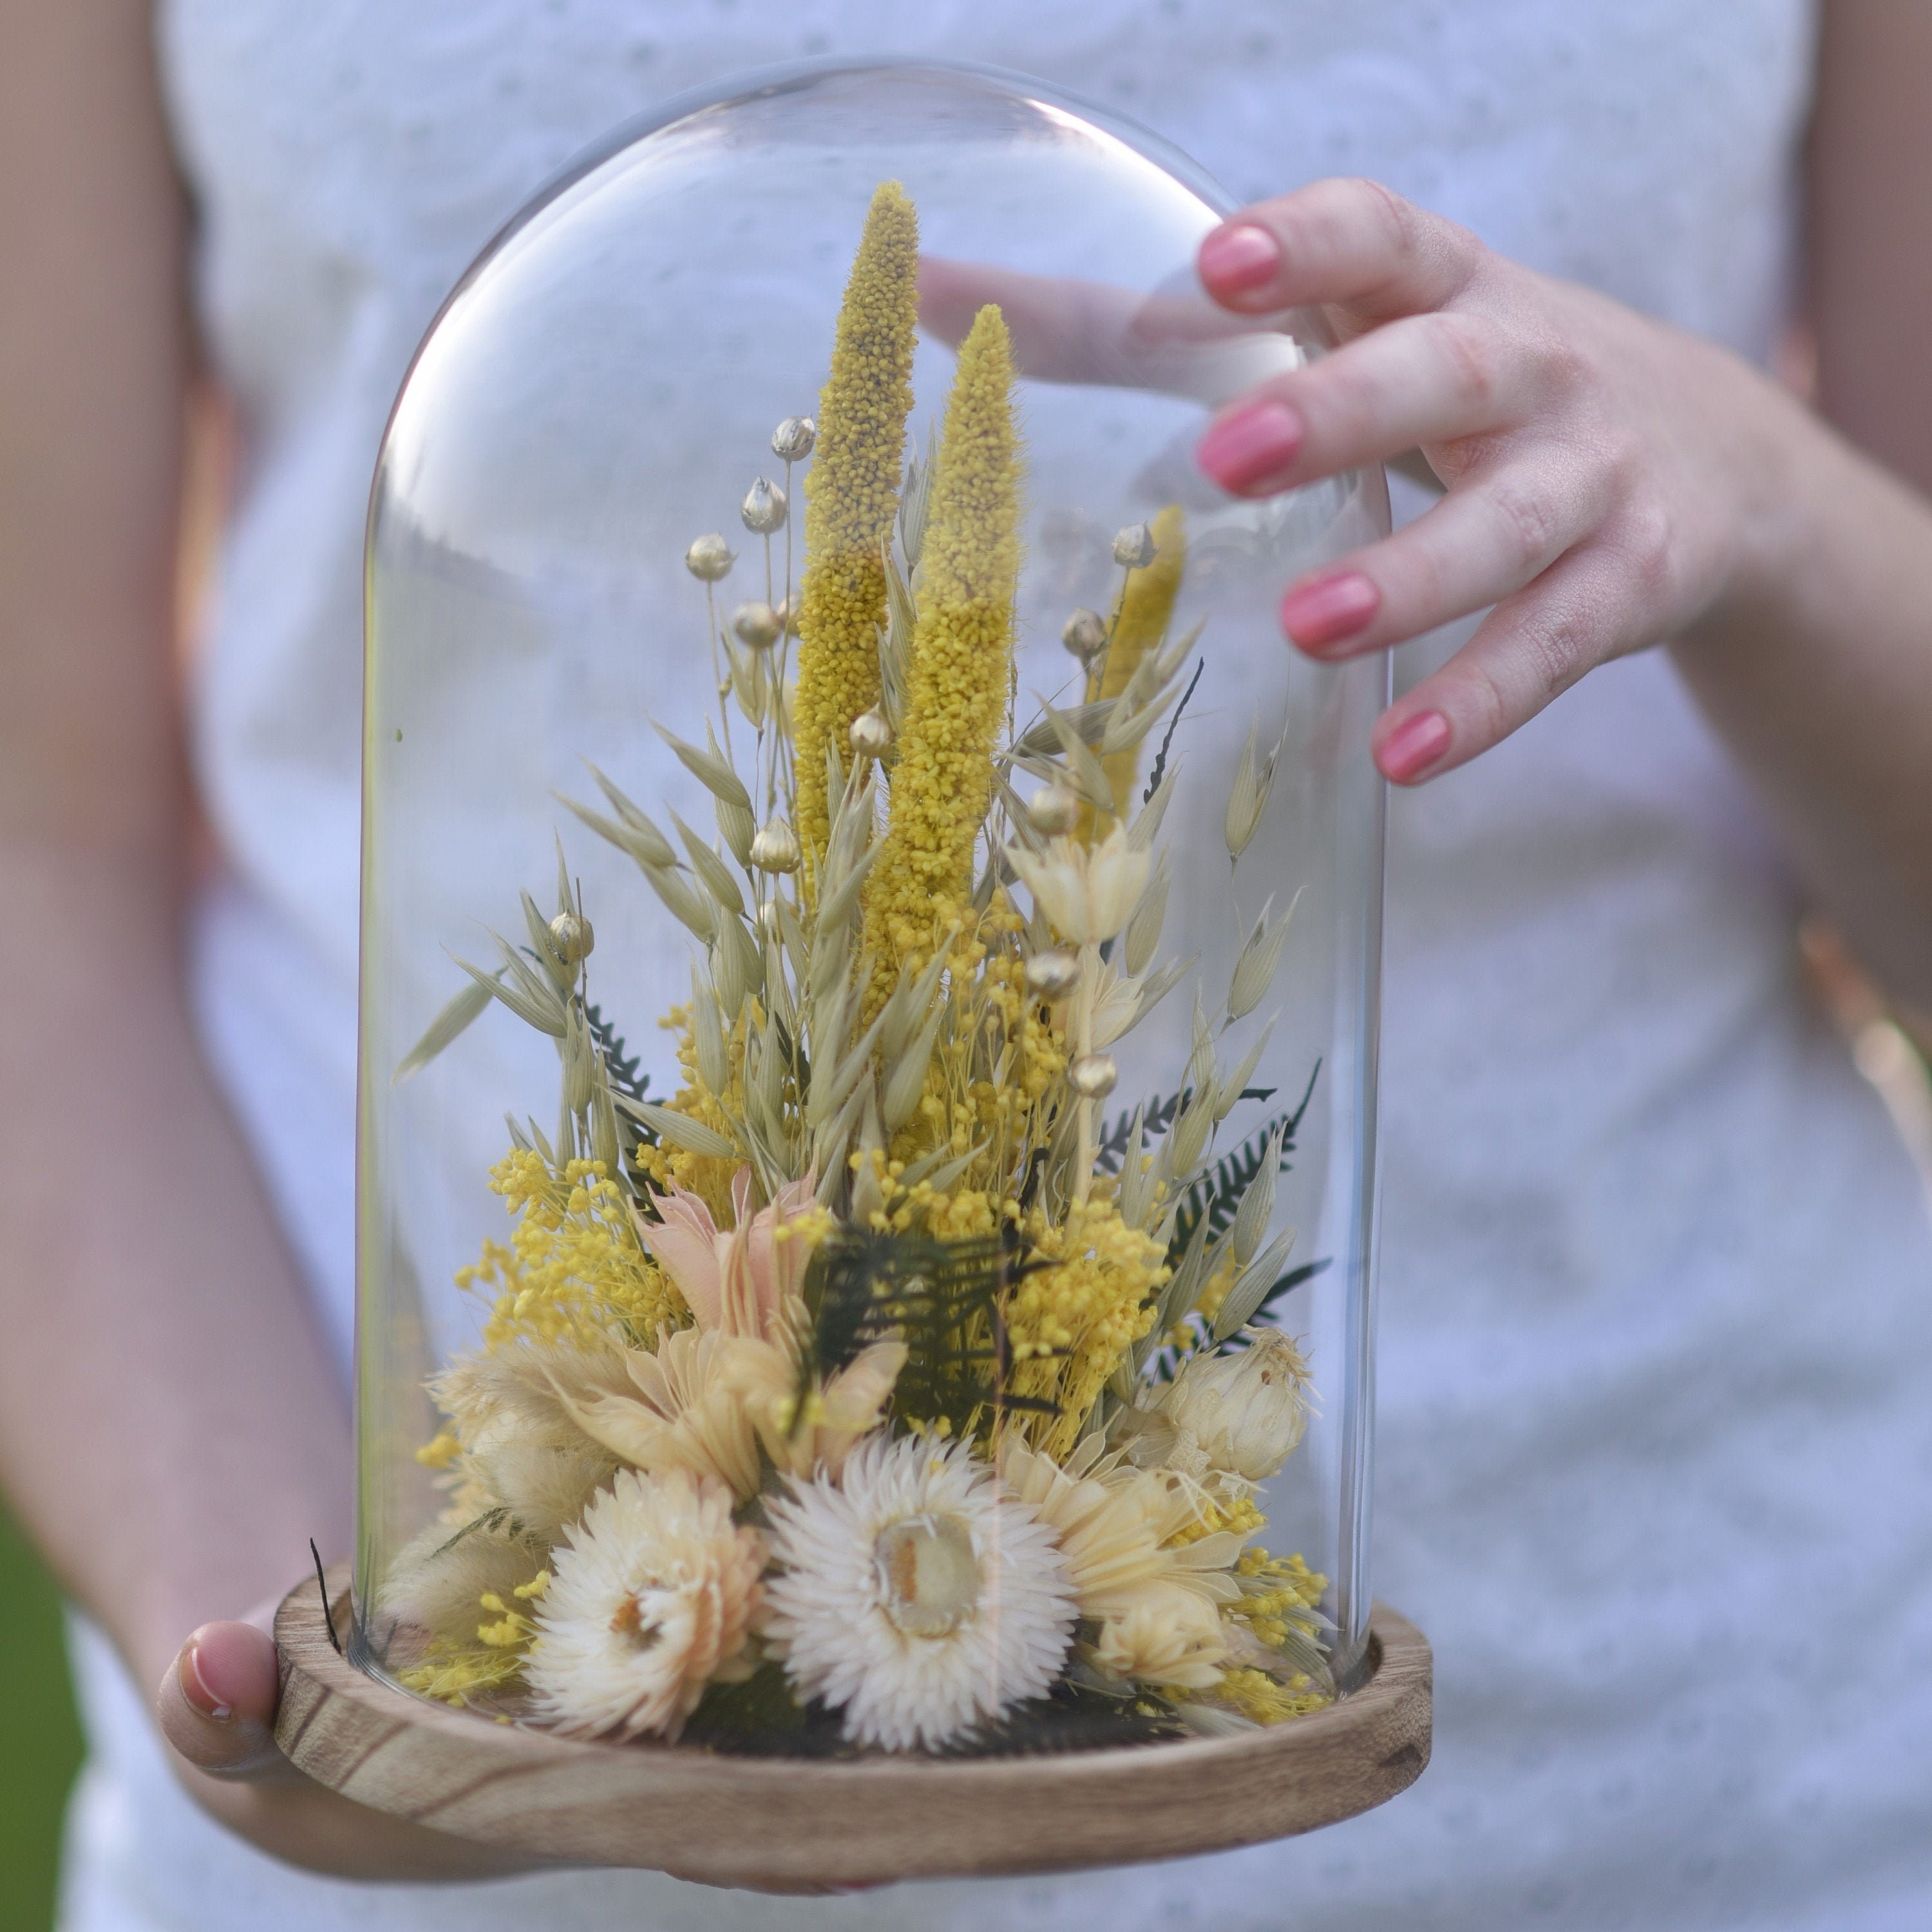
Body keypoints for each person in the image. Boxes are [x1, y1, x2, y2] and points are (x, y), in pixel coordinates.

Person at [3, 1, 1929, 1927]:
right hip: (476, 1773)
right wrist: (282, 1641)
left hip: (1665, 1776)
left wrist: (1762, 500)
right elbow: (39, 864)